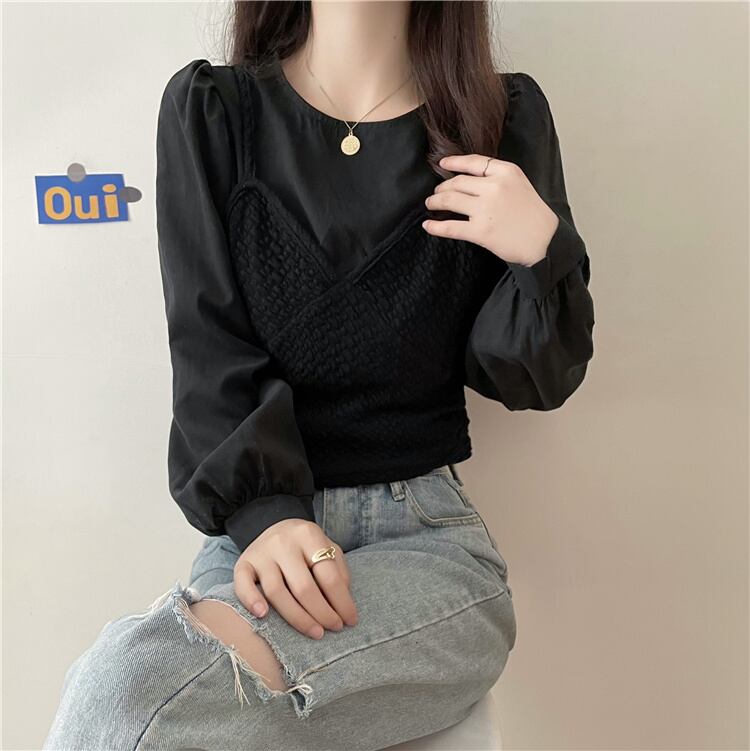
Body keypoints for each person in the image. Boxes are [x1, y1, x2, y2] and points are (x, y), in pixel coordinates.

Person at [44, 1, 595, 749]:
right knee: (127, 686)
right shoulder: (214, 112)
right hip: (260, 551)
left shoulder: (499, 119)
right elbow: (207, 346)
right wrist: (267, 513)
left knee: (138, 696)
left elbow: (531, 379)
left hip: (431, 552)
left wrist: (544, 251)